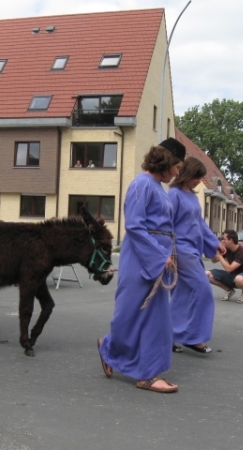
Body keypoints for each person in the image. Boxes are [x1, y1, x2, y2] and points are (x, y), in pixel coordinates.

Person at [97, 138, 185, 394]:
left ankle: (144, 371)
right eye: (177, 166)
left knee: (155, 319)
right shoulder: (142, 184)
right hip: (141, 259)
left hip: (158, 258)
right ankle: (114, 350)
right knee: (131, 313)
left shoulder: (157, 187)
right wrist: (160, 257)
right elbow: (134, 226)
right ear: (167, 161)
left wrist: (167, 255)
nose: (178, 173)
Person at [168, 157, 225, 354]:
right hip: (181, 251)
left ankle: (171, 336)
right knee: (203, 291)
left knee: (182, 295)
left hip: (193, 249)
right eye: (197, 178)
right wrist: (168, 252)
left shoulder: (192, 197)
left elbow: (199, 223)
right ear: (188, 174)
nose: (199, 182)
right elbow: (166, 226)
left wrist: (215, 243)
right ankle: (193, 337)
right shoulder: (173, 195)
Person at [206, 229, 243, 304]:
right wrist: (218, 251)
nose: (223, 241)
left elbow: (229, 269)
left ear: (231, 240)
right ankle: (229, 290)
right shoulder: (227, 250)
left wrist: (220, 257)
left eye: (224, 239)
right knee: (207, 274)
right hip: (232, 276)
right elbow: (214, 261)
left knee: (239, 279)